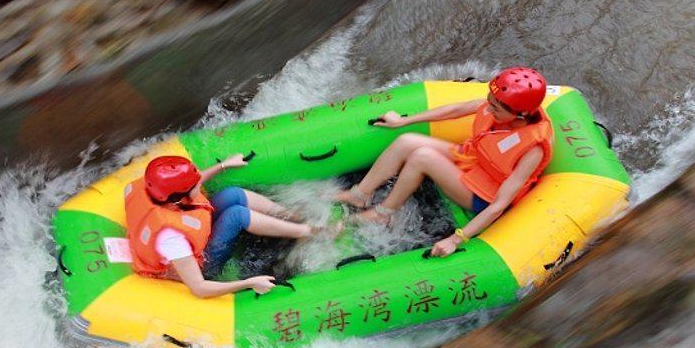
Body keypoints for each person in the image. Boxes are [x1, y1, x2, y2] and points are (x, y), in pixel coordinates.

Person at [336, 67, 553, 258]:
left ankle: (383, 214)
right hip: (471, 158)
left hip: (483, 195)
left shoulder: (532, 149)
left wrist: (456, 239)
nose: (489, 107)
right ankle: (360, 195)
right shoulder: (499, 105)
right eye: (490, 100)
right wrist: (404, 121)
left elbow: (499, 205)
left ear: (520, 114)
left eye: (496, 107)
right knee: (406, 141)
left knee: (422, 156)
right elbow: (456, 110)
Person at [125, 154, 325, 298]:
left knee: (233, 194)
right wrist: (249, 282)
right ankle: (305, 232)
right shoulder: (171, 239)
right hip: (200, 267)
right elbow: (199, 287)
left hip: (190, 229)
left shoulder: (159, 194)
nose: (199, 182)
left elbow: (189, 183)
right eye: (194, 185)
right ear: (179, 198)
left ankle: (292, 216)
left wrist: (224, 166)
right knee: (236, 216)